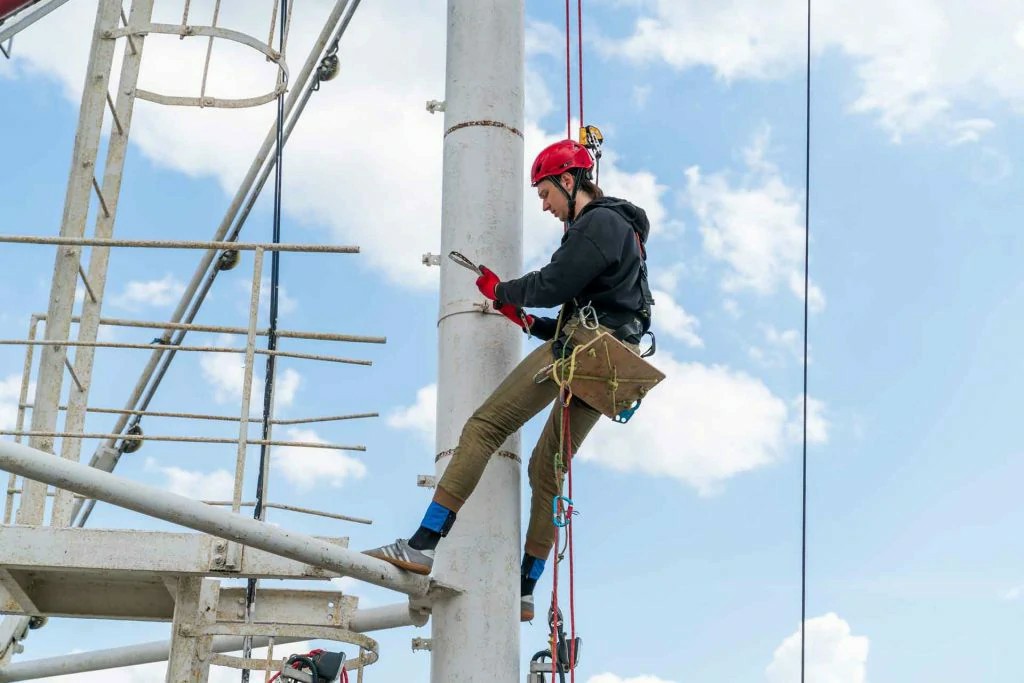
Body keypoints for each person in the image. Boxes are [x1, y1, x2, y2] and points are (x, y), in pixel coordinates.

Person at [365, 139, 654, 622]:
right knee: (547, 469)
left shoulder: (597, 222)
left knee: (484, 427)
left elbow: (551, 284)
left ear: (568, 180)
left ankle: (421, 544)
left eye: (544, 193)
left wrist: (499, 289)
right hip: (614, 363)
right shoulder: (626, 234)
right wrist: (524, 320)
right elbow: (590, 305)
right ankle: (525, 587)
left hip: (583, 349)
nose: (544, 205)